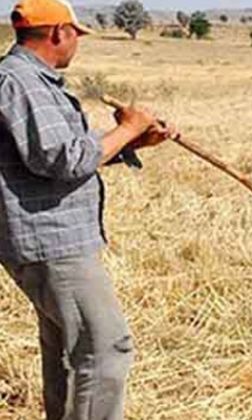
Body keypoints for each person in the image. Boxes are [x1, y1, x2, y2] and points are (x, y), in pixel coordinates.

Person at [0, 1, 177, 419]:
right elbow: (62, 159)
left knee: (67, 348)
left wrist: (132, 142)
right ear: (59, 33)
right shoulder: (20, 82)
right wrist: (128, 127)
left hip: (49, 238)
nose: (77, 42)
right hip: (51, 240)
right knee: (107, 347)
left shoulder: (31, 81)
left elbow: (60, 156)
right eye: (76, 33)